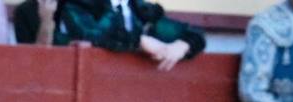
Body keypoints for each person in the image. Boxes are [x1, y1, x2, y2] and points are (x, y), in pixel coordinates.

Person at [55, 0, 206, 69]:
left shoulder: (138, 8)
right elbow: (90, 34)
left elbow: (194, 33)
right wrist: (139, 42)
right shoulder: (77, 3)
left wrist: (183, 45)